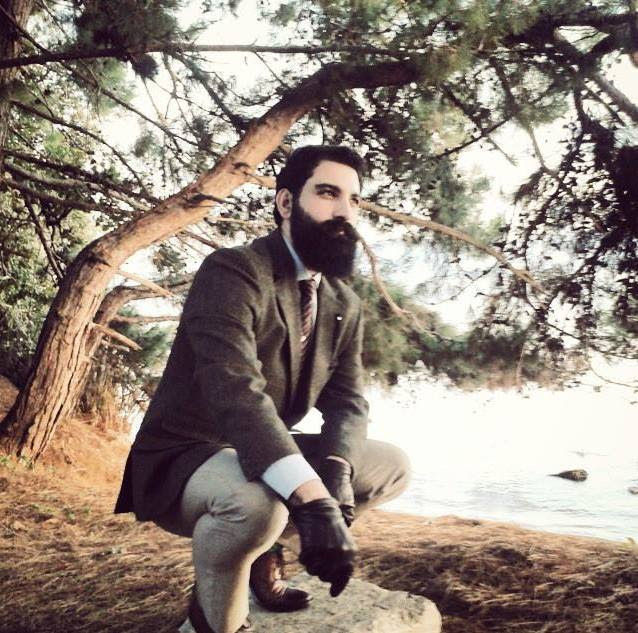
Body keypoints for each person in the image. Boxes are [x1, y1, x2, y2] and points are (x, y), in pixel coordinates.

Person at [114, 145, 411, 633]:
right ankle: (216, 616)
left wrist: (337, 473)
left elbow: (349, 402)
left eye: (354, 200)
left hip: (262, 450)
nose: (344, 211)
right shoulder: (233, 270)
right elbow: (236, 390)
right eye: (328, 193)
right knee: (256, 505)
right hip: (185, 453)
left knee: (390, 466)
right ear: (286, 202)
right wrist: (313, 501)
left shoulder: (343, 302)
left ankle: (257, 553)